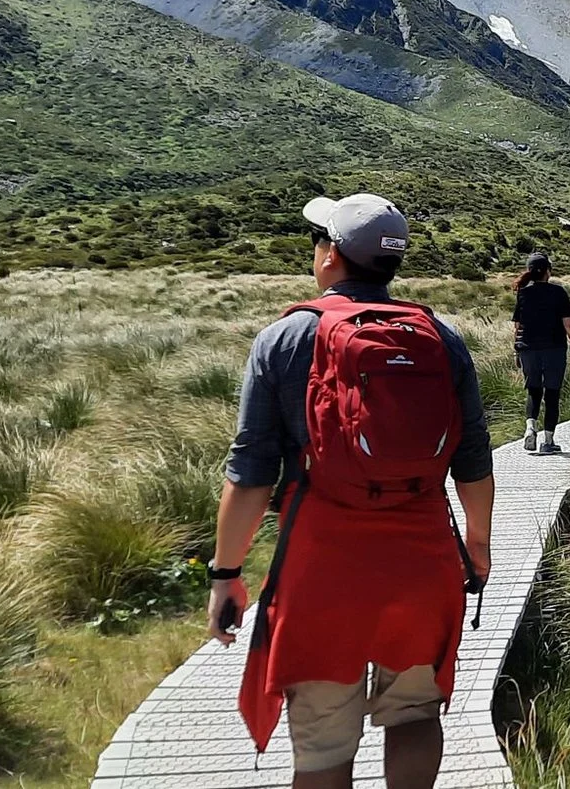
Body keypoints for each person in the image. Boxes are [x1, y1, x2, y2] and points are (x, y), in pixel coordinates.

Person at [208, 193, 494, 789]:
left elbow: (251, 473)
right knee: (415, 712)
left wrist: (225, 573)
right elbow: (472, 462)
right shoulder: (441, 338)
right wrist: (478, 545)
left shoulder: (284, 339)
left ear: (330, 255)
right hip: (422, 558)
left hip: (323, 568)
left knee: (321, 740)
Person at [511, 254, 570, 456]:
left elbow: (518, 326)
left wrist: (516, 350)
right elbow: (568, 323)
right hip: (554, 348)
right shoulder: (558, 292)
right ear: (548, 271)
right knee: (552, 393)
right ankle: (548, 441)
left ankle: (530, 427)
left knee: (533, 390)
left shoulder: (523, 293)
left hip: (528, 348)